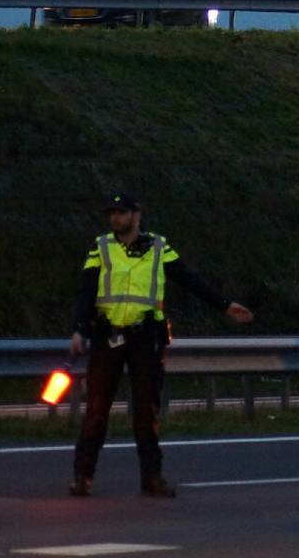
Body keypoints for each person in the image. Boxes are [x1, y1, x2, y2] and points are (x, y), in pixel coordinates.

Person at [68, 191, 253, 498]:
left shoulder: (158, 247)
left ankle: (152, 478)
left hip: (146, 337)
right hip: (107, 335)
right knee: (97, 410)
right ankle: (82, 477)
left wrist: (224, 306)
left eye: (121, 212)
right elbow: (86, 291)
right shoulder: (100, 247)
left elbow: (188, 278)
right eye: (112, 213)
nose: (115, 218)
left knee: (146, 410)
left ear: (136, 215)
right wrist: (78, 329)